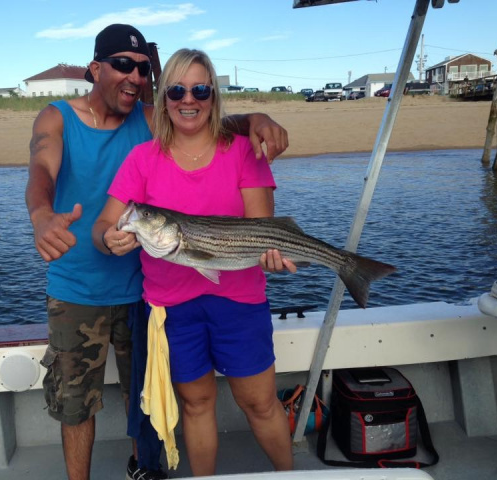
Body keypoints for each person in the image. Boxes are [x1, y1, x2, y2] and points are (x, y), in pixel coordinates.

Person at [25, 25, 290, 480]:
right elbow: (42, 170)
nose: (133, 76)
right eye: (123, 65)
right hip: (105, 290)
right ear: (96, 68)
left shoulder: (156, 120)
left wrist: (258, 117)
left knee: (158, 395)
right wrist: (44, 216)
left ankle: (151, 468)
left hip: (167, 292)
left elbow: (212, 123)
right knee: (85, 403)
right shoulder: (67, 121)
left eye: (142, 68)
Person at [93, 48, 295, 477]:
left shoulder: (243, 152)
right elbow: (106, 225)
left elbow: (263, 228)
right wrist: (110, 240)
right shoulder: (142, 159)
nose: (189, 100)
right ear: (162, 97)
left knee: (259, 403)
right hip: (171, 309)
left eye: (200, 89)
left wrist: (273, 257)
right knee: (196, 404)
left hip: (239, 302)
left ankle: (290, 475)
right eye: (177, 90)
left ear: (213, 95)